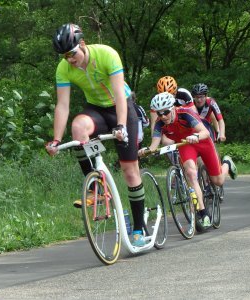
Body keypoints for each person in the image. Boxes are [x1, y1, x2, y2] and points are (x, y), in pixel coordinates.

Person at [46, 23, 146, 247]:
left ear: (82, 44)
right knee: (78, 129)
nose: (69, 60)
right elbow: (62, 105)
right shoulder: (64, 68)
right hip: (97, 111)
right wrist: (56, 139)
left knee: (130, 170)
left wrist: (121, 126)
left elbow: (120, 95)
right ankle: (96, 188)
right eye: (64, 56)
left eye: (72, 54)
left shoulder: (106, 54)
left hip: (121, 108)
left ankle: (139, 226)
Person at [139, 92, 237, 227]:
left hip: (203, 142)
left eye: (166, 112)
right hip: (185, 145)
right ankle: (203, 213)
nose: (163, 116)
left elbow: (205, 132)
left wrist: (196, 136)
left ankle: (227, 163)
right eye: (159, 113)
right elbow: (154, 144)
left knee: (218, 180)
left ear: (173, 108)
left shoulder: (185, 113)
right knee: (191, 173)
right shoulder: (159, 123)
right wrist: (147, 150)